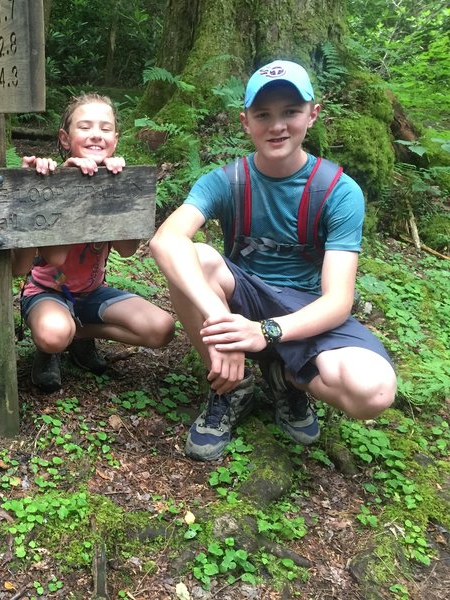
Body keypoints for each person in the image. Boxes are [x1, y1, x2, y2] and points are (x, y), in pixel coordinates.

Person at [149, 60, 397, 461]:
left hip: (305, 308)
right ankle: (233, 386)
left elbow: (337, 301)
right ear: (245, 121)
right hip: (243, 294)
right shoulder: (225, 181)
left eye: (290, 112)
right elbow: (166, 239)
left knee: (374, 391)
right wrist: (225, 324)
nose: (277, 125)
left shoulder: (338, 191)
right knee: (193, 256)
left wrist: (265, 332)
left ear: (312, 115)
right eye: (263, 114)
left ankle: (287, 380)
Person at [16, 93, 175, 393]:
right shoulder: (51, 180)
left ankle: (78, 336)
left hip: (91, 292)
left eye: (105, 128)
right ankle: (53, 347)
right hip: (49, 291)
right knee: (53, 334)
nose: (96, 135)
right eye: (85, 127)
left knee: (161, 329)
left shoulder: (114, 181)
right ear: (65, 138)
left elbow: (127, 250)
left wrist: (117, 193)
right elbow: (57, 258)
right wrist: (69, 185)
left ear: (115, 139)